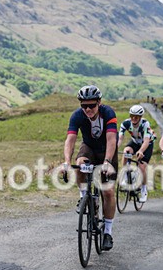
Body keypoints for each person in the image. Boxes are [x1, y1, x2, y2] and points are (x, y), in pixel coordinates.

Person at [61, 85, 118, 250]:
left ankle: (107, 232)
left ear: (99, 103)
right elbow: (70, 139)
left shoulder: (108, 113)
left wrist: (107, 161)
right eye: (84, 106)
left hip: (107, 150)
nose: (88, 109)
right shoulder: (77, 116)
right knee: (80, 165)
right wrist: (66, 161)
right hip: (89, 148)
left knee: (107, 191)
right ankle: (85, 197)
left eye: (91, 105)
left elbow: (111, 140)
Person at [118, 104, 155, 202]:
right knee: (126, 151)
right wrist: (114, 148)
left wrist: (141, 151)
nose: (134, 118)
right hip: (135, 142)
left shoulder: (145, 124)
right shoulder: (125, 123)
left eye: (136, 117)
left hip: (146, 144)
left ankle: (143, 190)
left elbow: (146, 141)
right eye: (132, 116)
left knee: (142, 167)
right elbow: (120, 138)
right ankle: (125, 177)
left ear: (140, 117)